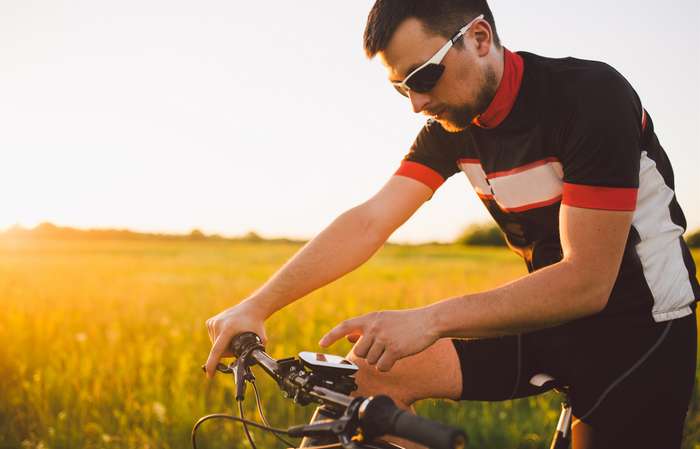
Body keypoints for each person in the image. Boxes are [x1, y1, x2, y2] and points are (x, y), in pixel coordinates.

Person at [204, 1, 699, 447]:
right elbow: (370, 220)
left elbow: (588, 282)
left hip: (640, 326)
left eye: (422, 77)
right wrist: (257, 305)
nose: (417, 103)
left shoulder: (589, 97)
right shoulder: (452, 126)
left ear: (480, 38)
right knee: (368, 379)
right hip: (545, 314)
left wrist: (428, 319)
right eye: (402, 88)